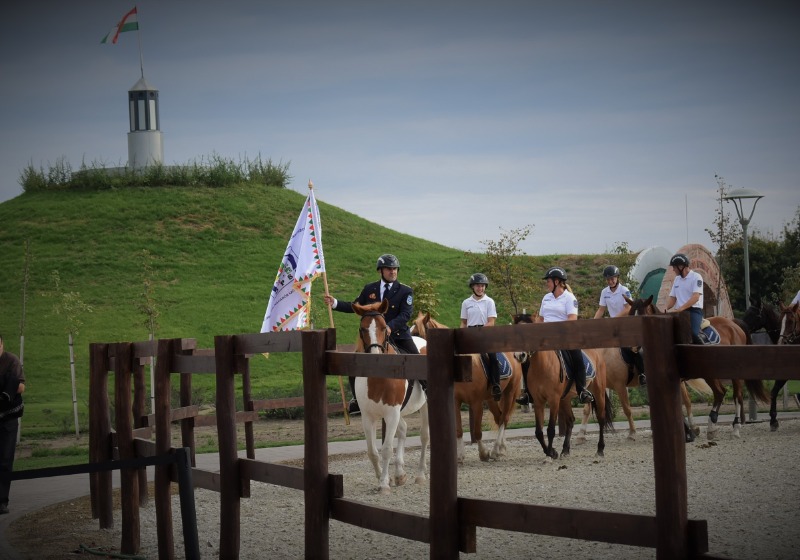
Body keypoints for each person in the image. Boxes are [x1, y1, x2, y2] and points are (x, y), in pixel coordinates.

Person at [323, 253, 419, 415]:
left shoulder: (405, 291)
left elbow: (405, 315)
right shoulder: (370, 289)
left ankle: (427, 388)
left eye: (395, 269)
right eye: (389, 269)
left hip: (398, 335)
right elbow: (356, 306)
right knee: (354, 363)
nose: (393, 272)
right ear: (380, 271)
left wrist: (389, 326)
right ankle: (356, 400)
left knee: (418, 360)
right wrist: (335, 303)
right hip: (374, 338)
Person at [535, 267, 594, 404]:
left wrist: (556, 332)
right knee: (528, 357)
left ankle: (581, 390)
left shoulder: (569, 298)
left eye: (548, 281)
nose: (547, 284)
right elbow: (541, 319)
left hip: (564, 336)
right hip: (545, 337)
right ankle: (528, 392)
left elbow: (572, 319)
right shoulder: (546, 298)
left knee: (577, 358)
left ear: (557, 282)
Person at [593, 265, 645, 386]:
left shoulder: (624, 290)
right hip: (612, 326)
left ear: (617, 278)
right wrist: (594, 322)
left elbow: (628, 308)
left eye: (612, 278)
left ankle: (642, 374)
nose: (610, 281)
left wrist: (614, 319)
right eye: (608, 279)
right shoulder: (604, 292)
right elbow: (601, 309)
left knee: (634, 349)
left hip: (625, 324)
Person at [460, 273, 502, 401]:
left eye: (483, 286)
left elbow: (491, 322)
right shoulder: (466, 303)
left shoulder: (489, 302)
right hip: (470, 333)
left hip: (485, 333)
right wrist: (462, 334)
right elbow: (464, 322)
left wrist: (480, 332)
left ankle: (495, 384)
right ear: (472, 287)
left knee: (492, 357)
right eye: (478, 286)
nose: (480, 288)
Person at [0, 333, 25, 515]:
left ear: (2, 344)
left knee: (5, 459)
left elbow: (21, 386)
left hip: (8, 416)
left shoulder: (11, 360)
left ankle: (2, 501)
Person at [665, 253, 705, 344]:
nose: (673, 269)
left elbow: (695, 297)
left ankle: (703, 352)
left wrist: (680, 309)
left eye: (674, 267)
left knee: (693, 334)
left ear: (681, 266)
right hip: (680, 312)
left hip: (694, 311)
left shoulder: (696, 277)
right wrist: (666, 308)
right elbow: (673, 298)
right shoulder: (677, 279)